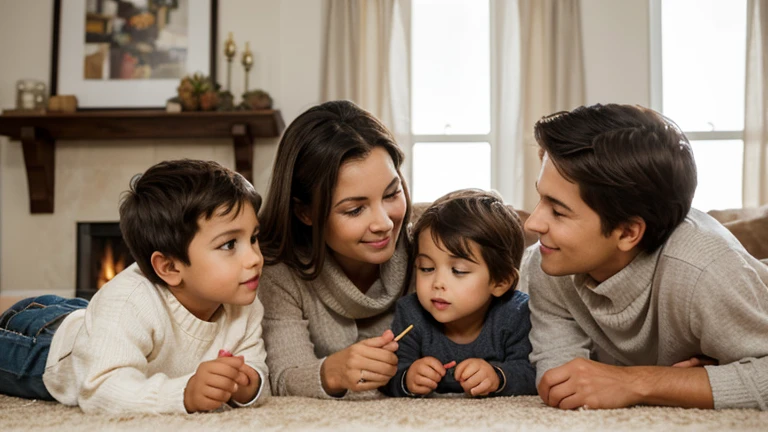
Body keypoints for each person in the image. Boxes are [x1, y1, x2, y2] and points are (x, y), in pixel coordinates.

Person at [522, 103, 768, 410]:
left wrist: (640, 382)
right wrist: (690, 382)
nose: (532, 223)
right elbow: (563, 383)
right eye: (540, 198)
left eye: (558, 211)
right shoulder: (549, 261)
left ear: (627, 233)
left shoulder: (706, 271)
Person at [0, 159, 269, 414]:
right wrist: (183, 394)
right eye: (229, 244)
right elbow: (100, 390)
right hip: (48, 348)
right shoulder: (129, 302)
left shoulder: (244, 300)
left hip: (91, 320)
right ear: (170, 267)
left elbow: (256, 367)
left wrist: (247, 385)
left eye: (254, 238)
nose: (255, 258)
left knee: (99, 318)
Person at [258, 100, 411, 398]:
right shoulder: (277, 272)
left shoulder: (430, 242)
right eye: (355, 210)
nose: (383, 223)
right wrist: (332, 372)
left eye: (392, 194)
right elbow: (284, 377)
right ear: (305, 213)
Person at [382, 189, 537, 398]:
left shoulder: (515, 313)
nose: (438, 283)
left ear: (501, 282)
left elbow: (533, 372)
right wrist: (407, 378)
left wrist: (498, 376)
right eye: (427, 268)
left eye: (459, 271)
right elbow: (388, 374)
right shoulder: (411, 313)